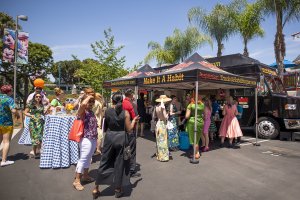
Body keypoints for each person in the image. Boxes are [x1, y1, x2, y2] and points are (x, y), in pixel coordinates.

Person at [92, 92, 139, 199]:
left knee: (104, 162)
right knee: (119, 163)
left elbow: (106, 126)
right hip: (121, 139)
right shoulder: (126, 113)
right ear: (122, 101)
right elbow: (129, 129)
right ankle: (118, 189)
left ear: (112, 101)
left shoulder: (107, 111)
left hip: (109, 138)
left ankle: (96, 188)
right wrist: (134, 121)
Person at [73, 93, 98, 191]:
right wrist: (87, 97)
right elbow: (83, 105)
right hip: (86, 138)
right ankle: (77, 180)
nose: (91, 103)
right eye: (89, 102)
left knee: (89, 157)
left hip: (92, 137)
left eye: (92, 102)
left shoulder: (91, 111)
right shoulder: (82, 111)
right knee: (83, 158)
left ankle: (85, 175)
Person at [0, 85, 20, 167]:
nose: (12, 92)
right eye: (11, 90)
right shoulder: (9, 99)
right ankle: (4, 161)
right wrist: (17, 114)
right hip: (6, 123)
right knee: (6, 142)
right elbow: (13, 110)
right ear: (8, 91)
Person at [122, 89, 140, 177]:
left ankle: (124, 167)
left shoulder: (121, 103)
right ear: (131, 95)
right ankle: (131, 170)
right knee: (132, 149)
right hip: (130, 128)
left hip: (122, 129)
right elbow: (135, 117)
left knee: (124, 149)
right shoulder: (131, 104)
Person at [24, 92, 45, 158]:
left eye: (40, 97)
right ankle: (39, 150)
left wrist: (47, 111)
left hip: (40, 122)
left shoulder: (41, 105)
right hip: (33, 123)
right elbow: (25, 112)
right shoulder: (31, 104)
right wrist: (31, 115)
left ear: (41, 98)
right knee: (35, 136)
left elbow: (42, 113)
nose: (38, 98)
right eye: (37, 96)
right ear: (34, 97)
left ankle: (34, 151)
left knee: (40, 136)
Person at [185, 95, 204, 159]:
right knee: (197, 139)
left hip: (192, 123)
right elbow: (204, 115)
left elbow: (187, 116)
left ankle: (196, 153)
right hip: (200, 122)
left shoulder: (190, 105)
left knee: (193, 140)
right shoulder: (202, 105)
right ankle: (197, 152)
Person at [153, 95, 171, 162]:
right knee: (163, 141)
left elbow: (155, 116)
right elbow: (165, 117)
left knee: (159, 140)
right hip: (162, 124)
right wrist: (167, 114)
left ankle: (159, 155)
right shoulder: (162, 107)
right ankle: (163, 157)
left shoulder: (157, 106)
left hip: (158, 123)